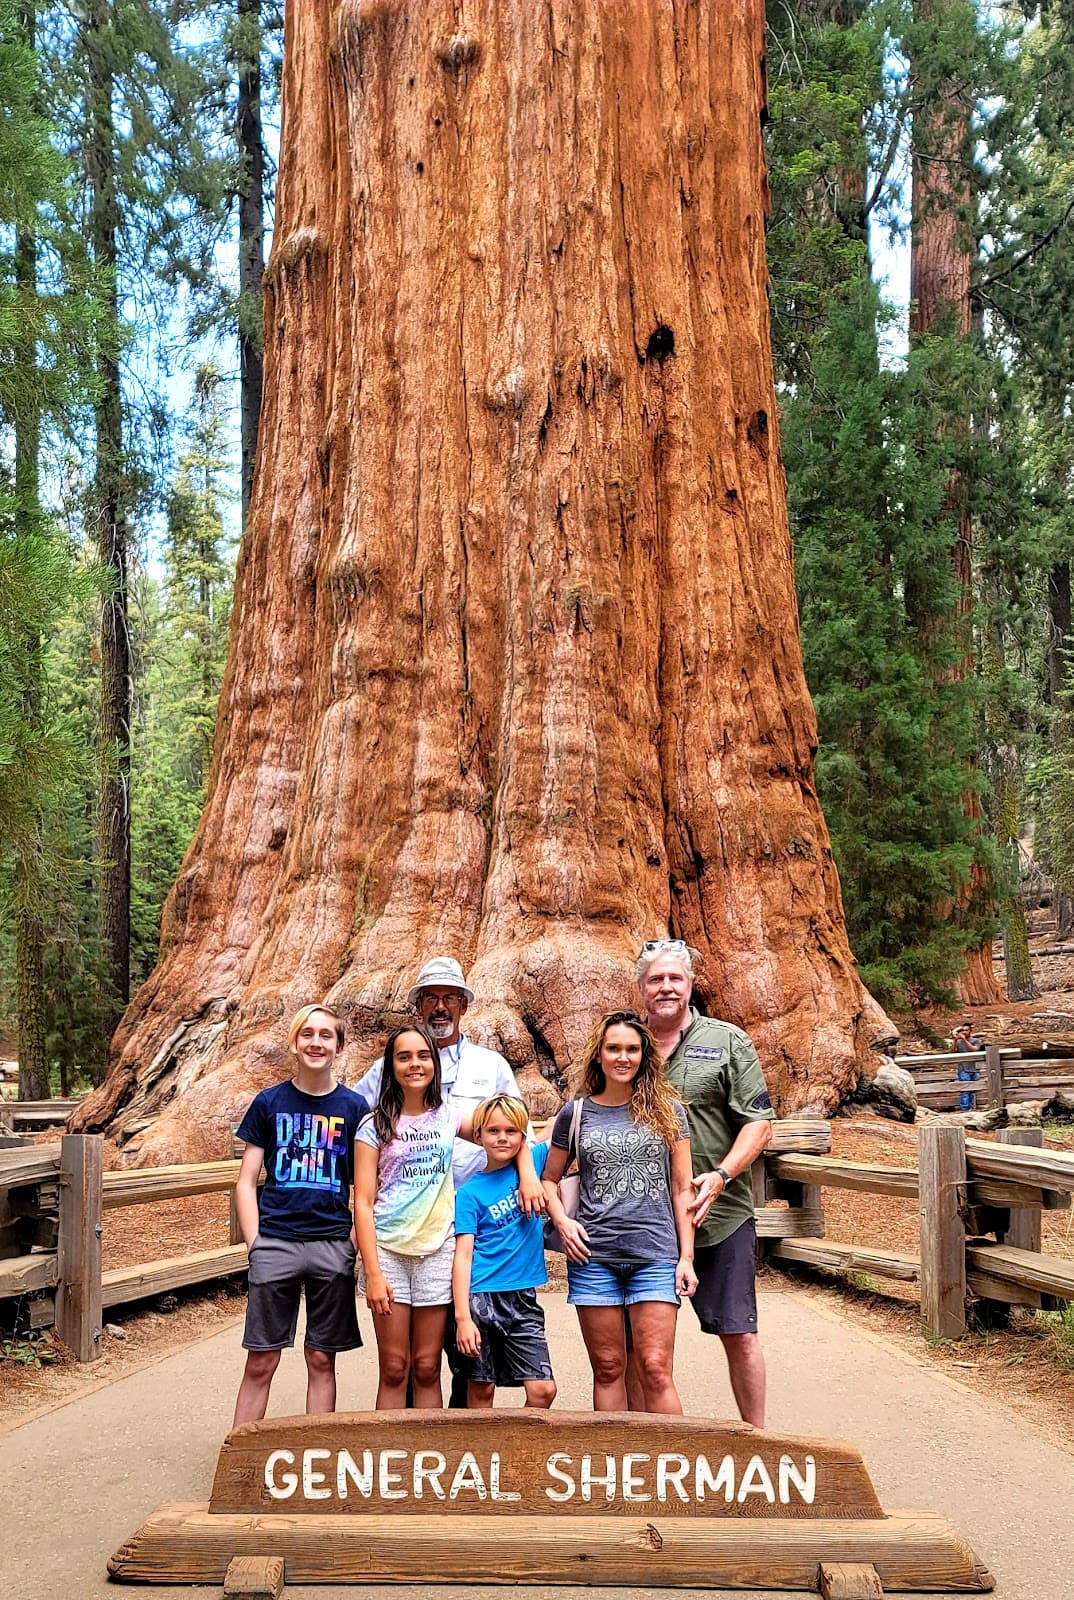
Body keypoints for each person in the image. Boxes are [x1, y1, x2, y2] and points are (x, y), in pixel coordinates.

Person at [355, 955, 527, 1405]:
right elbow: (353, 1132)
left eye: (450, 998)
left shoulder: (489, 1070)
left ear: (464, 1005)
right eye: (430, 998)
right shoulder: (377, 1088)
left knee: (451, 1359)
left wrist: (529, 1178)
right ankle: (394, 1459)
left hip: (464, 1229)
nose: (440, 1007)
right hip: (395, 1239)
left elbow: (511, 1130)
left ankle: (446, 1453)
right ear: (417, 1007)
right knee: (398, 1364)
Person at [635, 939, 775, 1427]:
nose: (666, 987)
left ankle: (757, 1437)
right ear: (642, 989)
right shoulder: (627, 1044)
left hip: (719, 1213)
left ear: (691, 985)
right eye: (656, 979)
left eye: (675, 978)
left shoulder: (727, 1042)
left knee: (738, 1331)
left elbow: (759, 1122)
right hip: (645, 1220)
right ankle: (645, 1444)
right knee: (643, 1346)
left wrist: (722, 1175)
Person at [542, 1010, 696, 1415]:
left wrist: (687, 1257)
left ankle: (670, 1465)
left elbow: (683, 1188)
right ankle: (615, 1464)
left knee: (656, 1367)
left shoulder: (669, 1113)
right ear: (599, 1055)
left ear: (645, 1055)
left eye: (632, 1049)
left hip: (655, 1254)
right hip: (595, 1257)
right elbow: (548, 1179)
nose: (622, 1057)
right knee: (609, 1368)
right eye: (613, 1048)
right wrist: (562, 1221)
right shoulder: (575, 1114)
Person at [231, 1003, 367, 1427]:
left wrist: (354, 1246)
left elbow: (365, 1186)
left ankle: (316, 1456)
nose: (316, 1042)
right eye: (307, 1034)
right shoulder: (269, 1102)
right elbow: (246, 1179)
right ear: (294, 1042)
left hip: (331, 1245)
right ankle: (242, 1453)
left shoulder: (354, 1108)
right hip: (276, 1242)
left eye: (326, 1035)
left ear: (339, 1047)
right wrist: (256, 1244)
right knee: (261, 1359)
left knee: (321, 1358)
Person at [452, 1095, 557, 1410]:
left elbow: (557, 1124)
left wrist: (526, 1169)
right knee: (482, 1390)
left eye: (511, 1131)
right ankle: (482, 1456)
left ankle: (519, 1451)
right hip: (482, 1298)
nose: (502, 1138)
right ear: (478, 1136)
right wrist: (462, 1318)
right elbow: (463, 1256)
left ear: (523, 1137)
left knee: (543, 1390)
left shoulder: (535, 1162)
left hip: (522, 1298)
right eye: (493, 1131)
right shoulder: (470, 1192)